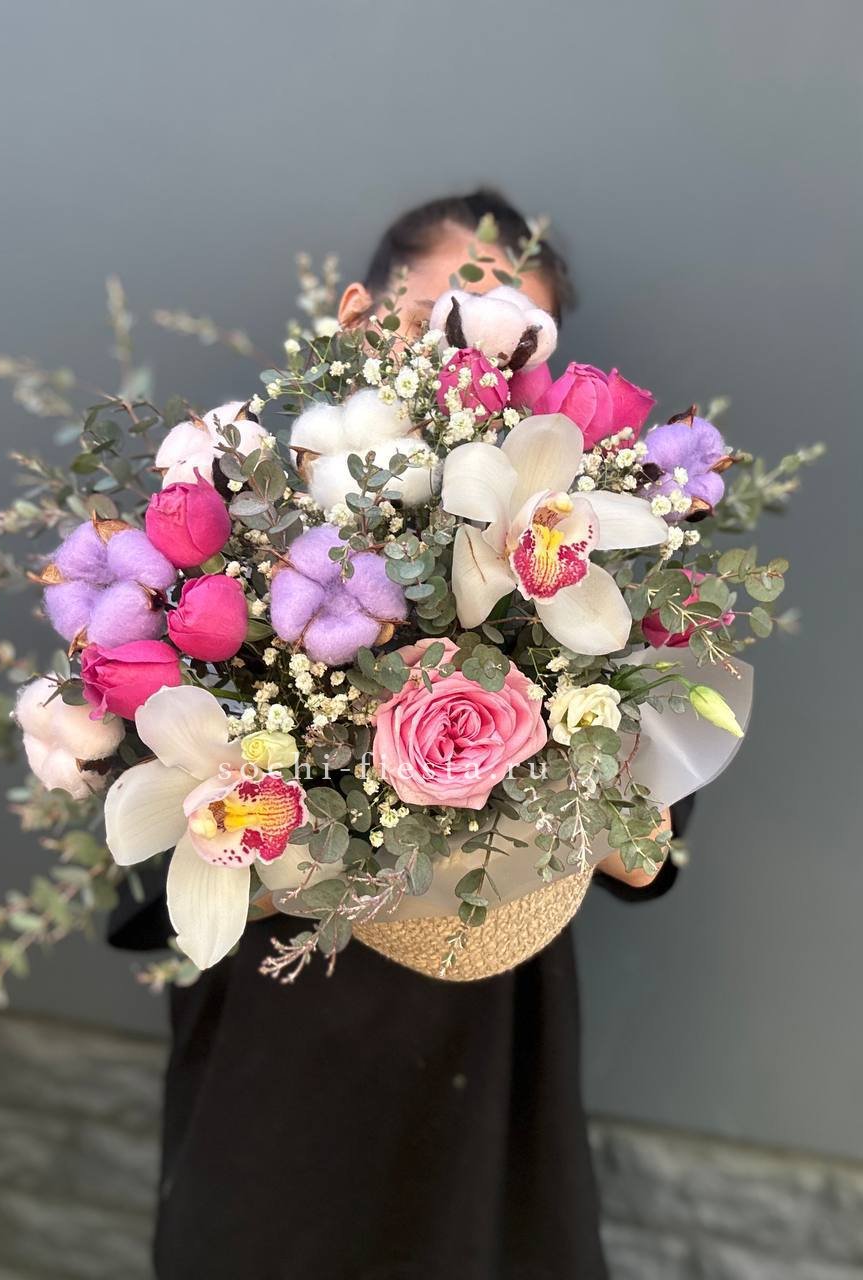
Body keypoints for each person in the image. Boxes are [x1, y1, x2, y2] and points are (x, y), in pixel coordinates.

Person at [109, 188, 692, 1280]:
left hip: (486, 1047)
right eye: (443, 320)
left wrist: (567, 793)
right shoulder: (232, 515)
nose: (474, 362)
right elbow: (143, 841)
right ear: (358, 317)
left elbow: (648, 849)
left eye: (515, 343)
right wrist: (287, 840)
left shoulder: (574, 547)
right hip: (278, 1055)